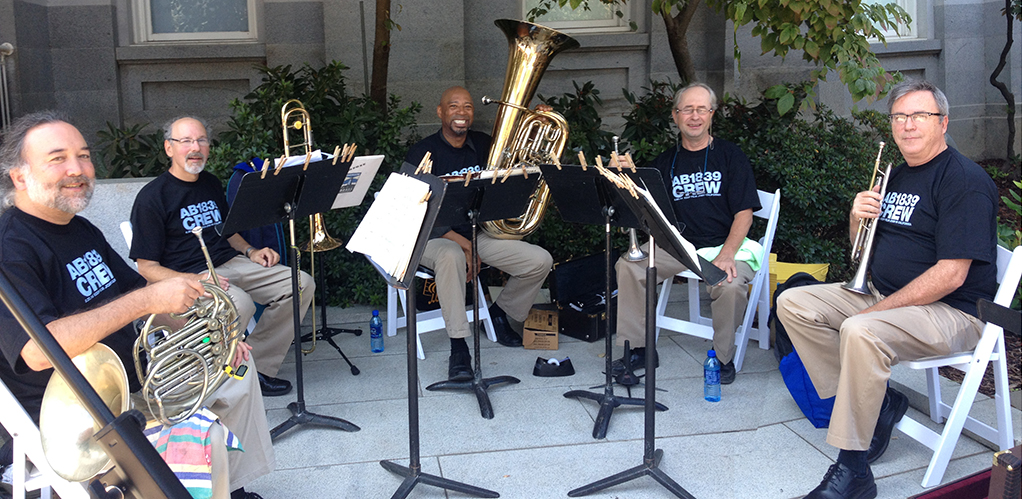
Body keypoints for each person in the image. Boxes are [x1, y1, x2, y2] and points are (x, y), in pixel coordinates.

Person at [0, 112, 275, 499]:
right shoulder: (10, 247)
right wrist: (147, 299)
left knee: (238, 370)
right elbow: (38, 351)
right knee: (206, 432)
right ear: (19, 176)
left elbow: (137, 293)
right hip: (81, 410)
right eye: (58, 159)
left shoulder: (78, 227)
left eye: (83, 155)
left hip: (135, 375)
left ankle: (233, 487)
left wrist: (216, 336)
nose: (77, 169)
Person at [777, 80, 998, 499]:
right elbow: (862, 249)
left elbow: (951, 275)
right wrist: (856, 218)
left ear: (943, 122)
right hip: (883, 294)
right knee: (793, 302)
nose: (908, 125)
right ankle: (876, 405)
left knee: (861, 330)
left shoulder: (963, 181)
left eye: (920, 116)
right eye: (899, 117)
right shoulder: (897, 175)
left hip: (954, 311)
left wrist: (874, 313)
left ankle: (853, 469)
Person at [129, 116, 313, 397]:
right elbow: (146, 267)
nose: (196, 147)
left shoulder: (210, 183)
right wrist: (193, 278)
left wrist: (252, 251)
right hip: (189, 277)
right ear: (169, 148)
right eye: (186, 141)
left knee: (300, 283)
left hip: (230, 263)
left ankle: (258, 368)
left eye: (202, 140)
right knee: (239, 304)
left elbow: (227, 232)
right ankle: (226, 374)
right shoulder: (152, 198)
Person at [613, 82, 762, 384]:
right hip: (678, 247)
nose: (694, 116)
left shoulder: (731, 156)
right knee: (629, 266)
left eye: (701, 109)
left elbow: (744, 214)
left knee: (730, 286)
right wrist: (625, 176)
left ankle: (722, 358)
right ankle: (639, 348)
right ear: (675, 115)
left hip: (725, 245)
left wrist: (728, 254)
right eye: (687, 110)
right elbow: (645, 207)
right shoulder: (665, 162)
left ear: (711, 114)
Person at [402, 86, 553, 381]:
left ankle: (500, 312)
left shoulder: (485, 145)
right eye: (454, 106)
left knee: (539, 261)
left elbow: (517, 159)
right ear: (441, 112)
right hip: (433, 238)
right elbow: (415, 212)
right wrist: (466, 247)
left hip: (477, 233)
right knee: (451, 257)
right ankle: (459, 347)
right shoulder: (422, 152)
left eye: (468, 107)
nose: (461, 113)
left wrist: (538, 122)